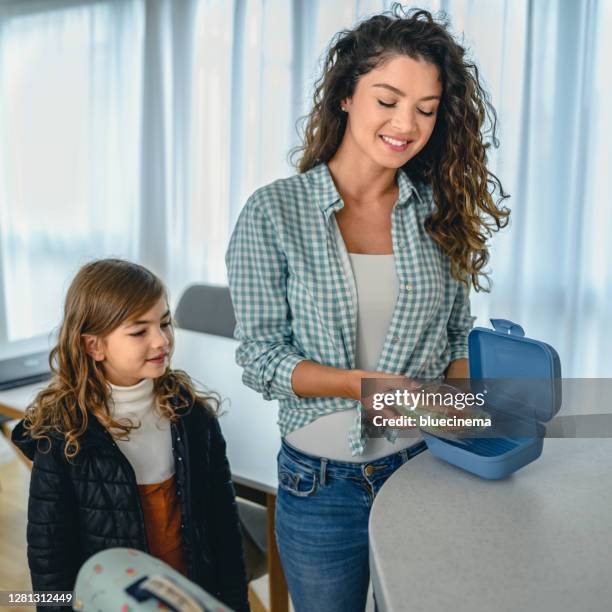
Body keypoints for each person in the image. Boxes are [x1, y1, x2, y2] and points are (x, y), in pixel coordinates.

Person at [226, 6, 510, 612]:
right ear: (347, 96)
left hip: (425, 470)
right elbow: (260, 358)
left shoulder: (437, 213)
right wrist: (368, 388)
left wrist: (467, 418)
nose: (406, 123)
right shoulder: (275, 214)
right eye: (387, 99)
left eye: (426, 109)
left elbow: (457, 334)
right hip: (319, 487)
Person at [12, 259, 250, 612]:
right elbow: (50, 558)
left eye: (165, 323)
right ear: (95, 346)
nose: (161, 339)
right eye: (139, 331)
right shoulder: (62, 437)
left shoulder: (194, 418)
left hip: (186, 595)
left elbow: (225, 531)